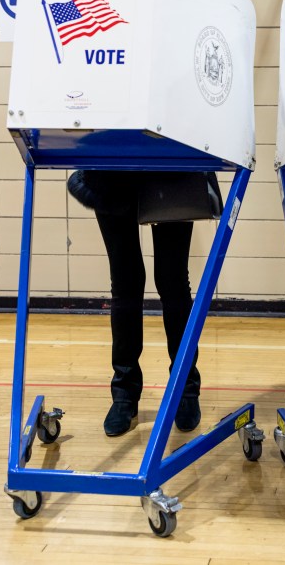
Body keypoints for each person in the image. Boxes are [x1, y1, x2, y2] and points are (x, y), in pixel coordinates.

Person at [67, 170, 218, 437]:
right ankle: (124, 393)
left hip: (170, 167)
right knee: (125, 283)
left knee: (173, 282)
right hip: (112, 167)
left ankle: (185, 388)